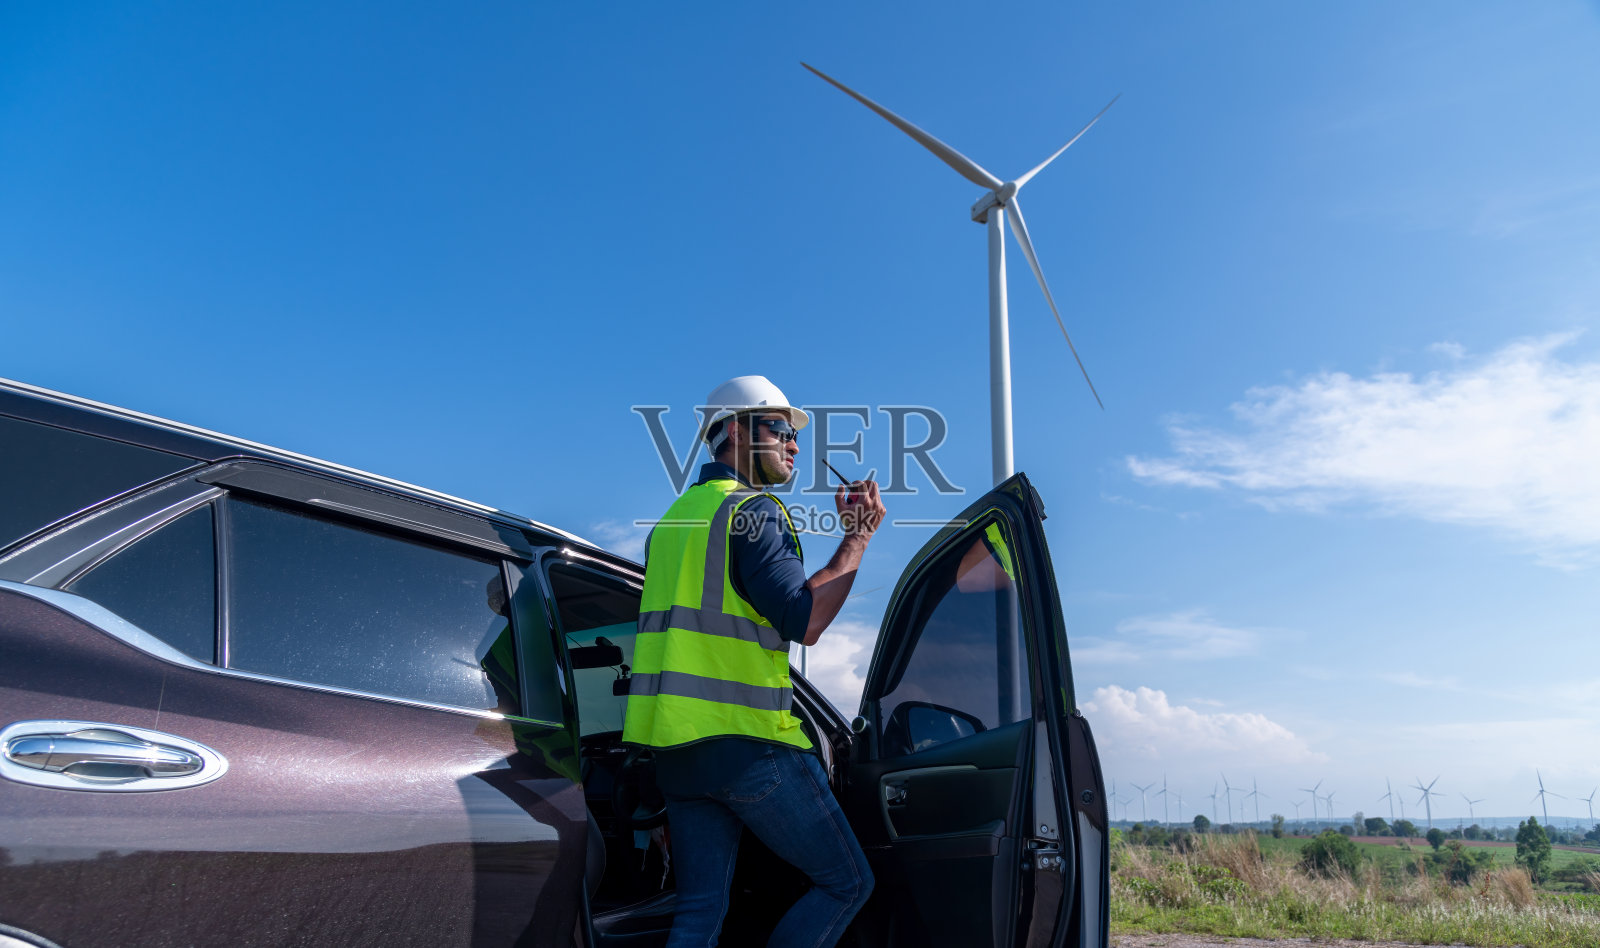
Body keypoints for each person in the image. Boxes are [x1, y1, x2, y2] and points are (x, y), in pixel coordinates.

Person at [622, 375, 885, 948]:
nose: (794, 444)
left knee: (698, 912)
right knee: (846, 884)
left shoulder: (672, 522)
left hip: (679, 755)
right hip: (748, 747)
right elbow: (805, 621)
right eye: (781, 429)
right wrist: (857, 538)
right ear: (735, 431)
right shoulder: (752, 512)